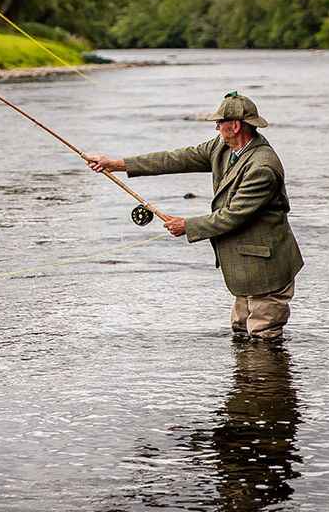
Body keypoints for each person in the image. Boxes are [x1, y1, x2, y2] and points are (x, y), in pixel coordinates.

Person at [85, 92, 303, 342]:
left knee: (265, 340)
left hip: (267, 269)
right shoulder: (223, 147)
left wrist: (186, 226)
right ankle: (251, 382)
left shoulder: (262, 167)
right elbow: (176, 158)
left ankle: (272, 382)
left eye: (219, 123)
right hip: (245, 267)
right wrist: (117, 164)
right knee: (242, 335)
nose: (216, 128)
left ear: (235, 125)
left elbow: (232, 216)